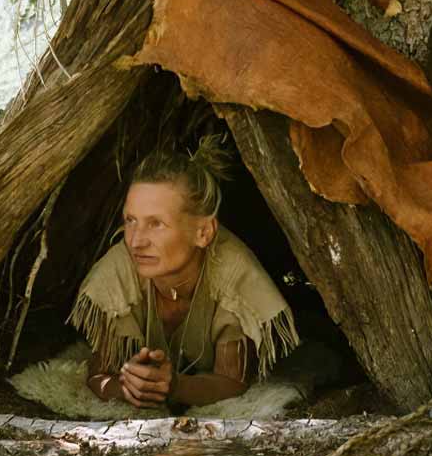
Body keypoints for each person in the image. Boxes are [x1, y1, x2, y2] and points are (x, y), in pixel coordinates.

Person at [73, 137, 298, 409]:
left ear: (203, 232)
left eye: (156, 224)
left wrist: (176, 387)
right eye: (131, 221)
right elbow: (100, 374)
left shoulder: (234, 274)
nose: (135, 241)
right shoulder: (118, 272)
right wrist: (127, 386)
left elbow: (233, 382)